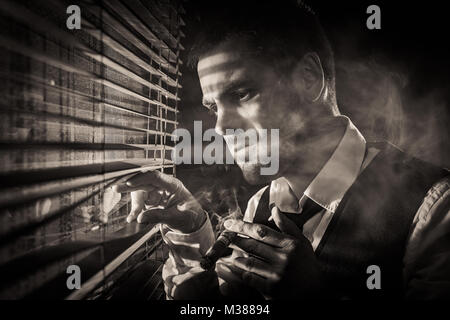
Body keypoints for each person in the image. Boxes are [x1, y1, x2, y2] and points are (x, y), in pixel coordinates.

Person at [113, 0, 449, 299]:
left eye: (242, 93)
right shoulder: (260, 205)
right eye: (213, 107)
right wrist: (196, 232)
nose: (219, 127)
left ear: (309, 79)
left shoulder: (434, 207)